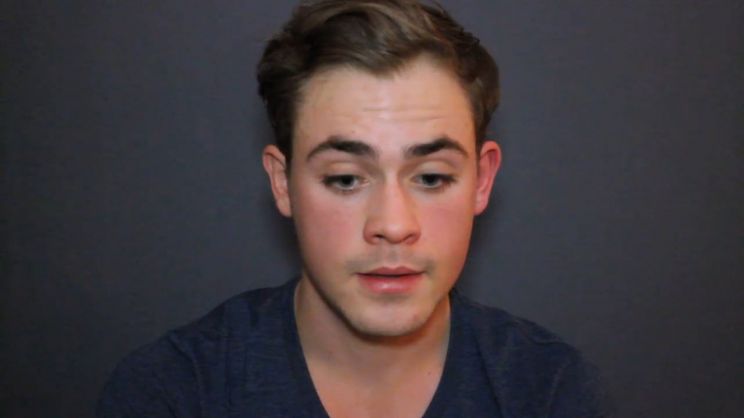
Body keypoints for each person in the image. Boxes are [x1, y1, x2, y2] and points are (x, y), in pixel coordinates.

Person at [98, 0, 610, 416]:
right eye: (345, 179)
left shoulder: (549, 390)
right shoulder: (173, 393)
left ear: (483, 180)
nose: (393, 225)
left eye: (432, 178)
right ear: (282, 183)